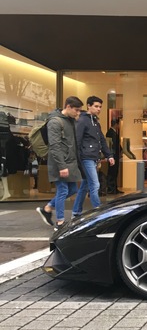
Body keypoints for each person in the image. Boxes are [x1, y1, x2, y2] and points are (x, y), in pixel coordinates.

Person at [36, 96, 84, 230]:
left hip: (70, 162)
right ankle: (60, 222)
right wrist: (62, 166)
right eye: (76, 110)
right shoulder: (55, 122)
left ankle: (48, 208)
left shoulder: (70, 120)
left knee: (73, 189)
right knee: (62, 191)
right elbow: (55, 146)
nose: (78, 113)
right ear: (68, 107)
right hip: (59, 162)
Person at [72, 96, 115, 217]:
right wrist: (78, 159)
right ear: (89, 106)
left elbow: (101, 139)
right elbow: (77, 141)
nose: (99, 109)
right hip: (86, 158)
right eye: (96, 106)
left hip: (93, 157)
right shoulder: (82, 120)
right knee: (95, 185)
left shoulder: (95, 121)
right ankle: (99, 212)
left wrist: (109, 155)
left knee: (85, 185)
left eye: (100, 107)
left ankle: (76, 212)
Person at [105, 117, 123, 194]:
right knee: (112, 172)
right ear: (116, 124)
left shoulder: (114, 132)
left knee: (115, 172)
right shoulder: (110, 133)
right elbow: (112, 145)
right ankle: (111, 189)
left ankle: (114, 188)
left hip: (116, 155)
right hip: (113, 155)